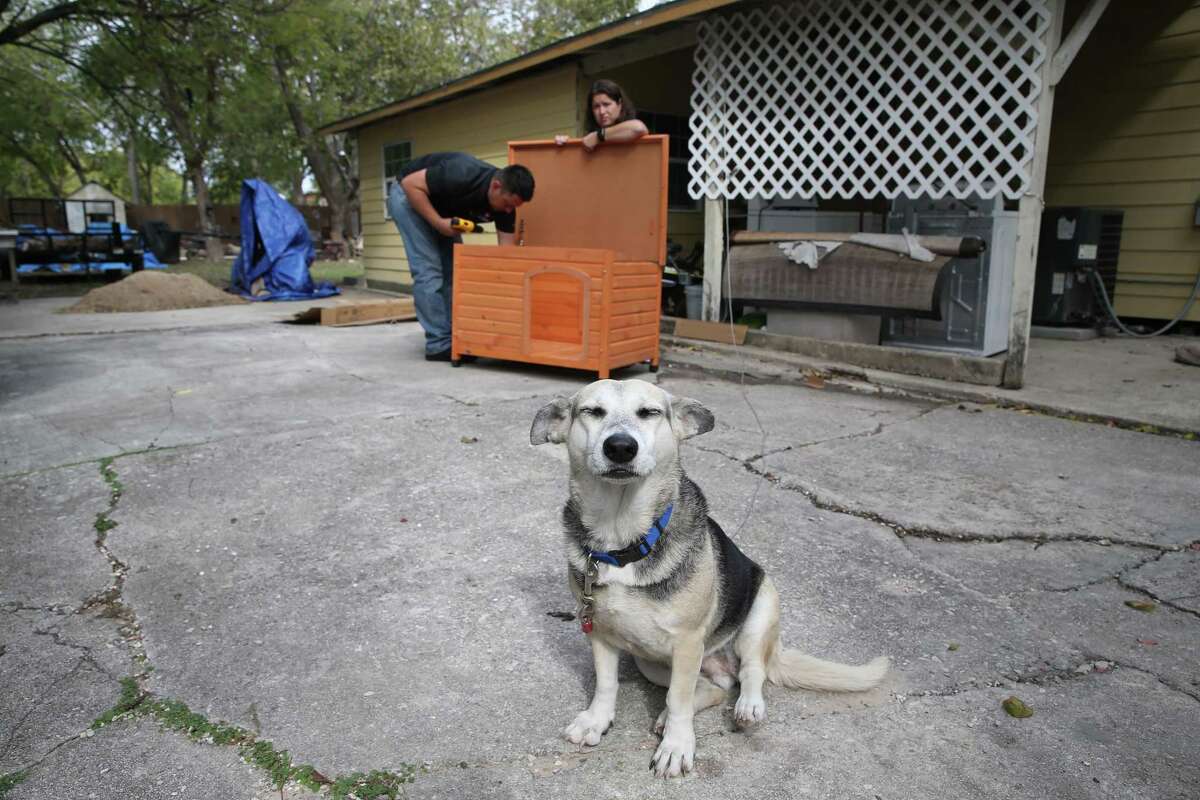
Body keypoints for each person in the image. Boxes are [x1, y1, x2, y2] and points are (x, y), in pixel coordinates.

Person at [387, 153, 534, 361]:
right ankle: (438, 344)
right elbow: (411, 184)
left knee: (455, 271)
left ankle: (454, 337)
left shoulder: (507, 205)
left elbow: (506, 255)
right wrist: (438, 223)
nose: (509, 210)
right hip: (409, 197)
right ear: (496, 186)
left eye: (514, 207)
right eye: (508, 204)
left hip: (442, 208)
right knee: (429, 269)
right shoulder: (461, 173)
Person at [555, 79, 649, 151]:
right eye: (596, 106)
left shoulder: (597, 137)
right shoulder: (591, 138)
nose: (601, 111)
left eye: (606, 104)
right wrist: (565, 146)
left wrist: (599, 136)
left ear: (619, 104)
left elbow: (638, 128)